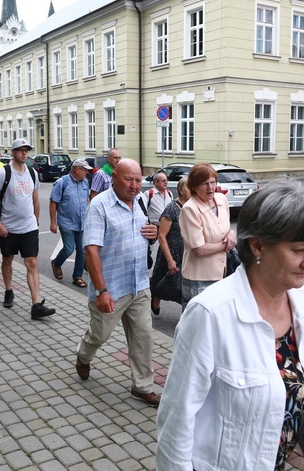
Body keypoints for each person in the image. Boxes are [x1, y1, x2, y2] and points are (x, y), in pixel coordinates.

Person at [156, 179, 304, 470]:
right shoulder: (211, 314)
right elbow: (177, 417)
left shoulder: (303, 301)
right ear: (258, 245)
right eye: (300, 249)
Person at [75, 159, 162, 407]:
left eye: (138, 180)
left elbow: (146, 233)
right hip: (111, 288)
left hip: (139, 284)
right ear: (114, 177)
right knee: (99, 335)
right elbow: (91, 250)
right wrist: (102, 291)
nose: (135, 186)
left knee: (143, 337)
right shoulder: (99, 205)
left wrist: (153, 234)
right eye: (129, 179)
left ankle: (142, 386)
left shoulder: (142, 201)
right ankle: (83, 357)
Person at [0, 138, 56, 319]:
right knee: (7, 259)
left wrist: (36, 222)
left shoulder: (32, 173)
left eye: (27, 150)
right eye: (20, 150)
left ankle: (36, 305)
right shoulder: (3, 173)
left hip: (29, 227)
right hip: (7, 228)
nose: (24, 153)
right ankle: (9, 290)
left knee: (31, 262)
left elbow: (34, 200)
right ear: (13, 152)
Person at [178, 163, 236, 308]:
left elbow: (225, 228)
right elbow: (199, 249)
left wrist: (232, 233)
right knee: (197, 325)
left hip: (221, 273)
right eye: (204, 183)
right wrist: (227, 245)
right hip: (199, 279)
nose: (210, 187)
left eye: (213, 182)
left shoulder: (221, 199)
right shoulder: (190, 209)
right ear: (194, 186)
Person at [149, 177, 190, 315]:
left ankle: (186, 313)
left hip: (186, 253)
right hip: (170, 252)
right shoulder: (171, 208)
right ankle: (156, 296)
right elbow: (161, 236)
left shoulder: (193, 207)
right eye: (189, 187)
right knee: (162, 281)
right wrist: (169, 259)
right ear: (181, 190)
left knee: (181, 287)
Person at [50, 158, 92, 288]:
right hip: (66, 222)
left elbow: (87, 200)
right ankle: (56, 263)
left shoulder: (85, 182)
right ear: (77, 169)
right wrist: (53, 222)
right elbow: (53, 202)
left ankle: (77, 276)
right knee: (68, 248)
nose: (87, 173)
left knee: (82, 250)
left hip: (82, 222)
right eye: (85, 170)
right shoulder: (62, 182)